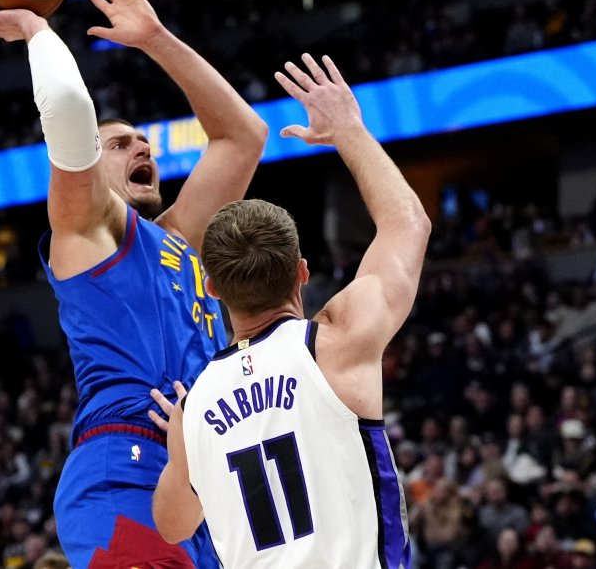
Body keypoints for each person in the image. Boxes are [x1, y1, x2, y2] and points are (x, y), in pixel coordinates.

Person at [0, 0, 267, 568]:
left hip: (204, 474)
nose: (141, 147)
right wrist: (36, 32)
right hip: (126, 462)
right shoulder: (88, 229)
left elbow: (243, 135)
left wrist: (155, 38)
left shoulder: (180, 239)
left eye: (144, 142)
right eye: (120, 143)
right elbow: (68, 107)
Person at [148, 53, 430, 567]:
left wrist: (181, 445)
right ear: (301, 271)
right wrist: (349, 130)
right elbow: (408, 223)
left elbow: (171, 526)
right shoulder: (337, 343)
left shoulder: (194, 406)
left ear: (212, 288)